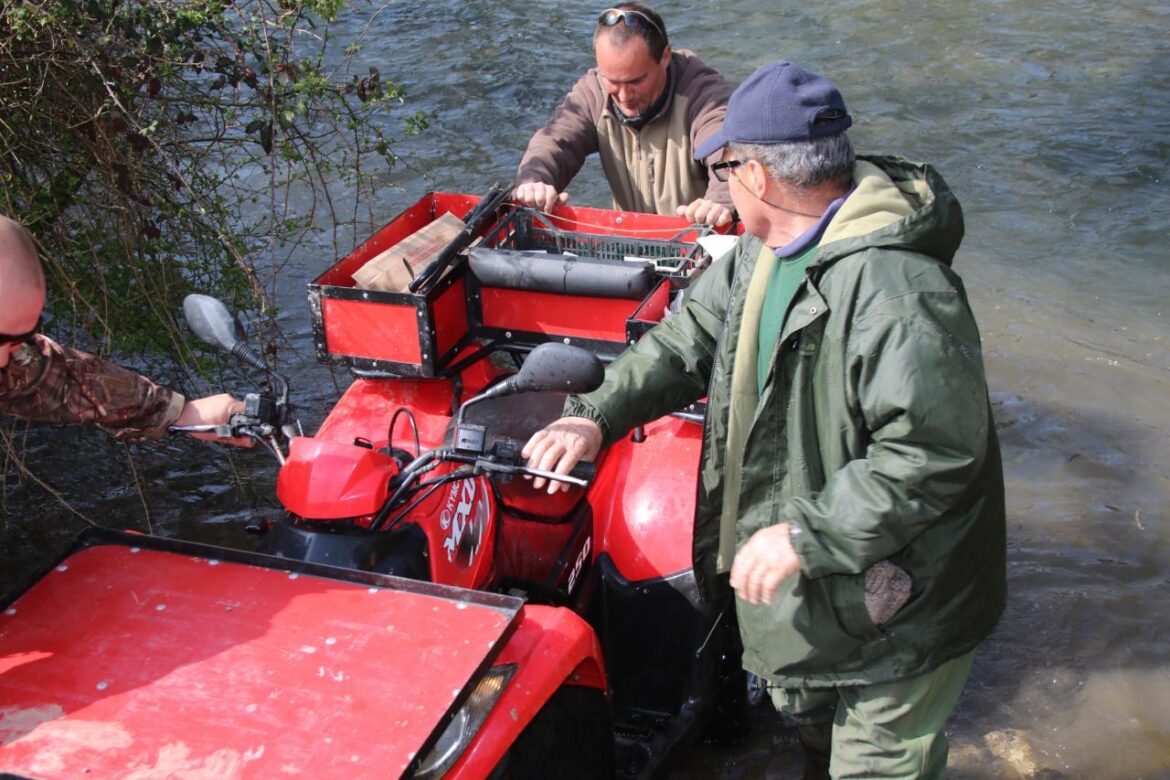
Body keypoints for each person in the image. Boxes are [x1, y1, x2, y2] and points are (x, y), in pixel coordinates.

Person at [522, 62, 1006, 778]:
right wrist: (596, 415)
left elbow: (934, 454)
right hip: (819, 585)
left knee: (876, 764)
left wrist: (807, 533)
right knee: (810, 732)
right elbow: (686, 342)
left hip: (905, 599)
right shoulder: (762, 250)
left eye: (725, 166)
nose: (718, 181)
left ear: (760, 175)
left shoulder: (901, 295)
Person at [0, 215, 248, 444]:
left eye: (18, 339)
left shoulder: (10, 358)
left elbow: (56, 378)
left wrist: (181, 413)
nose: (3, 359)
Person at [513, 4, 735, 226]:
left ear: (665, 57)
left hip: (702, 238)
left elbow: (730, 151)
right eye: (613, 81)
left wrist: (720, 202)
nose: (624, 96)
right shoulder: (593, 91)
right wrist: (534, 182)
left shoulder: (703, 94)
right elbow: (555, 140)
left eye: (636, 81)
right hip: (633, 241)